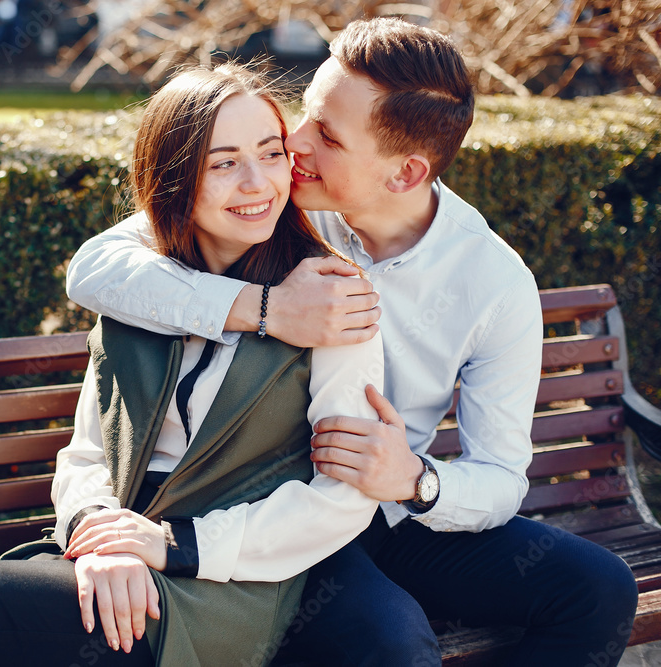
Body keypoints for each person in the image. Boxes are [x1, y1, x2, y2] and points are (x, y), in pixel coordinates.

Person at [65, 17, 638, 667]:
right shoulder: (270, 202)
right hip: (275, 501)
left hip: (393, 515)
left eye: (328, 136)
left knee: (597, 589)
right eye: (305, 113)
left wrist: (417, 479)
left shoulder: (495, 283)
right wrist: (265, 309)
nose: (294, 141)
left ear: (404, 173)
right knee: (391, 642)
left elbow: (502, 479)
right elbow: (98, 269)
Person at [0, 62, 383, 667]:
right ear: (175, 179)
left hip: (218, 588)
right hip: (111, 551)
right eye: (224, 163)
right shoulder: (143, 293)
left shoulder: (333, 302)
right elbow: (88, 450)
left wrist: (171, 545)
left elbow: (341, 500)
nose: (258, 183)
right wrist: (102, 531)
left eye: (271, 154)